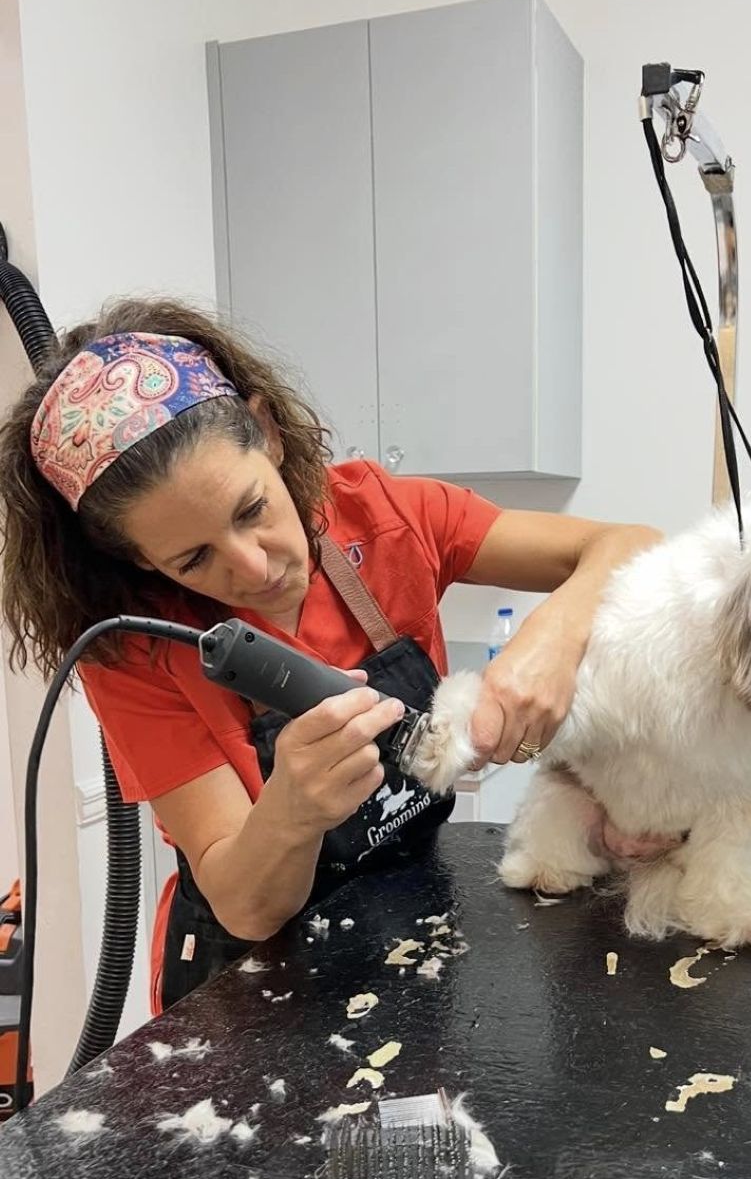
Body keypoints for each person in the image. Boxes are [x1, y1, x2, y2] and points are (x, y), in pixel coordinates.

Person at [0, 298, 663, 1012]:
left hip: (412, 923)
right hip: (249, 984)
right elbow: (245, 907)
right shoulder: (135, 648)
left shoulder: (382, 515)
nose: (253, 568)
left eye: (252, 509)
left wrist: (552, 639)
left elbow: (633, 545)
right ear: (136, 560)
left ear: (268, 431)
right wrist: (292, 811)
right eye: (193, 558)